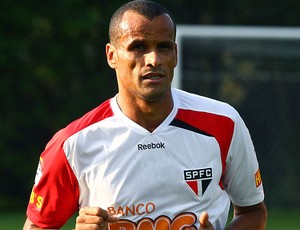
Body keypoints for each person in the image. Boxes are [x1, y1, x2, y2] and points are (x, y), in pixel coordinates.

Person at [23, 0, 267, 229]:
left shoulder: (223, 123)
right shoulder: (71, 144)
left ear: (176, 54)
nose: (153, 59)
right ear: (112, 55)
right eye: (138, 47)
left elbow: (253, 211)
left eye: (164, 47)